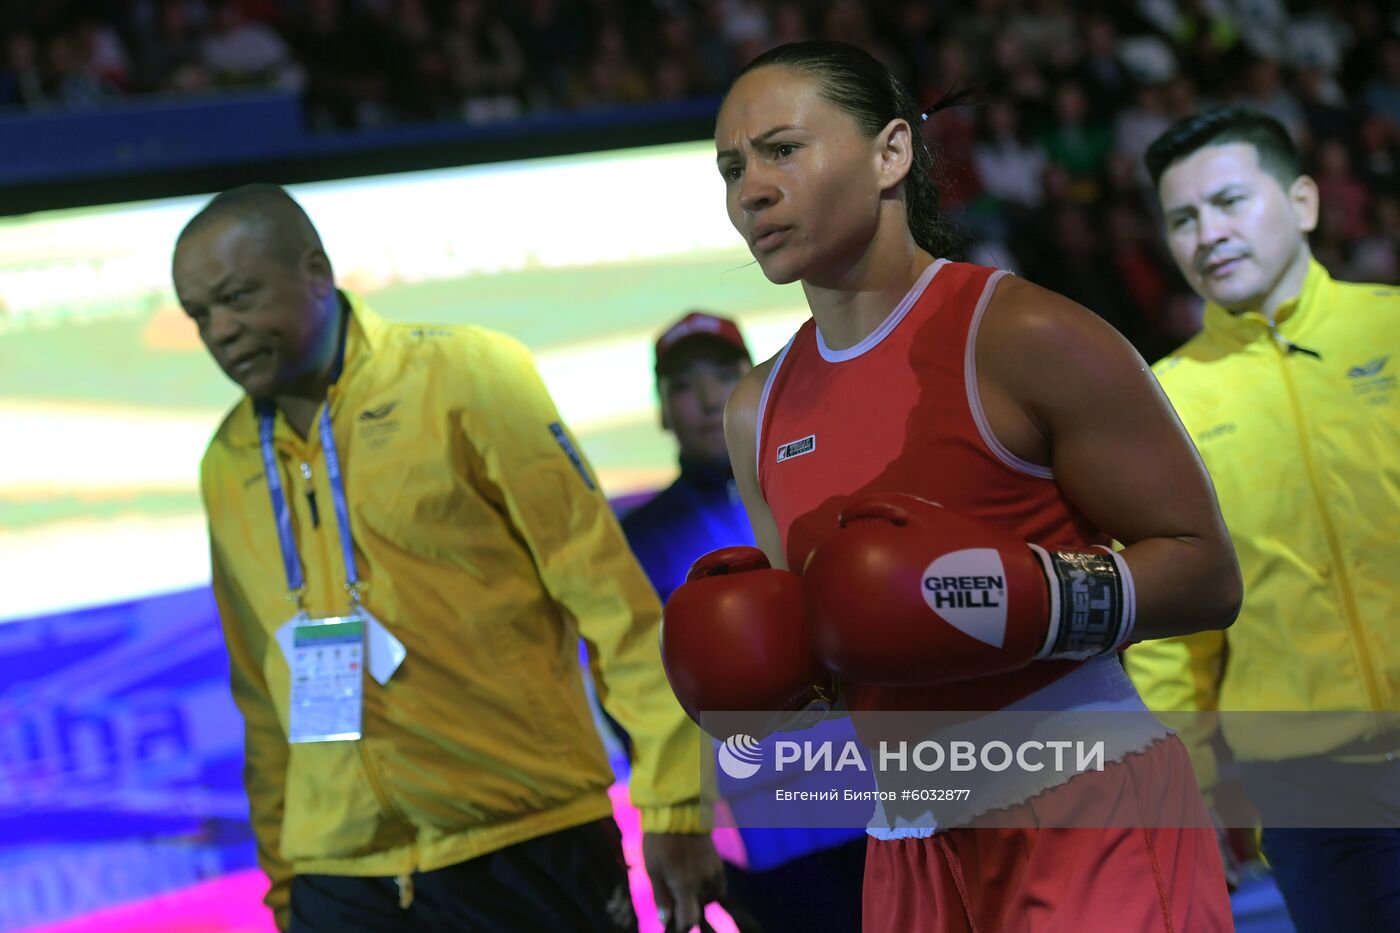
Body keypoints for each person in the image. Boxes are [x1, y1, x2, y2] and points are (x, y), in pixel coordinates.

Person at [672, 40, 1244, 932]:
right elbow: (857, 640)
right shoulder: (759, 408)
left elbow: (1208, 572)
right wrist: (770, 675)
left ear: (892, 153)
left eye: (783, 149)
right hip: (906, 838)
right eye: (732, 167)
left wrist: (1029, 595)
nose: (751, 189)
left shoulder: (1020, 333)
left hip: (1084, 800)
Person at [173, 184, 723, 933]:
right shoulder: (226, 461)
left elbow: (612, 601)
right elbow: (261, 699)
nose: (220, 331)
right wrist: (286, 881)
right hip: (340, 876)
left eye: (237, 297)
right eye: (199, 314)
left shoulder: (467, 376)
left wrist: (675, 799)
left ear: (314, 269)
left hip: (524, 837)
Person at [1125, 107, 1400, 933]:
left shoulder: (1390, 325)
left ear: (1305, 203)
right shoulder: (1163, 400)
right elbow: (1171, 622)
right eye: (1183, 218)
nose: (1208, 232)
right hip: (1312, 787)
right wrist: (1191, 783)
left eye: (1231, 201)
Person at [621, 311, 866, 933]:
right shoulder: (635, 542)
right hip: (765, 844)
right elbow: (634, 697)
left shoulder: (828, 488)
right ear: (661, 408)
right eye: (682, 384)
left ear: (757, 382)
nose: (707, 399)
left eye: (726, 374)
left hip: (889, 802)